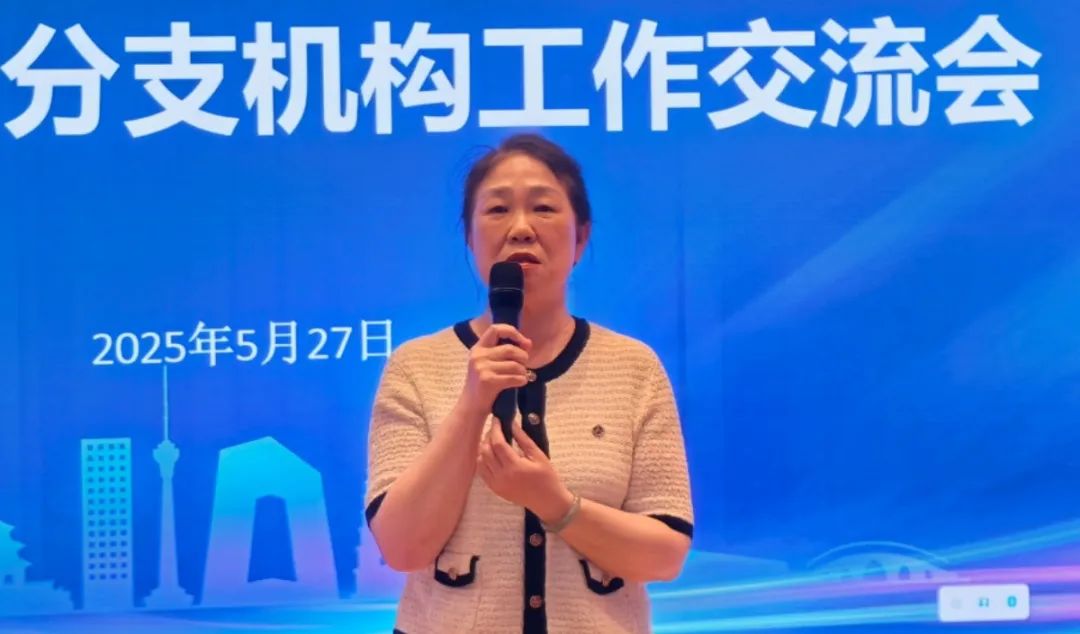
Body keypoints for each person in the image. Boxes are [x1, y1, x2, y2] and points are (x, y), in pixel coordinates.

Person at [364, 133, 693, 633]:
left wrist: (556, 505)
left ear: (581, 237)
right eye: (497, 210)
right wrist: (471, 404)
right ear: (470, 237)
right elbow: (401, 548)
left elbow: (664, 556)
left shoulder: (633, 367)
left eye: (543, 208)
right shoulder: (415, 367)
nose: (520, 229)